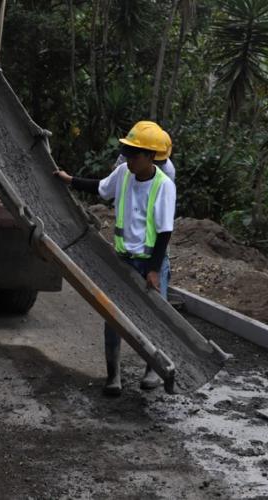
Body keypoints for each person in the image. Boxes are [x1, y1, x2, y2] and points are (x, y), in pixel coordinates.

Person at [54, 121, 176, 396]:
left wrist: (154, 271)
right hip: (123, 260)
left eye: (134, 153)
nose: (128, 157)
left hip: (149, 261)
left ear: (150, 157)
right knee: (113, 318)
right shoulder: (123, 173)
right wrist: (70, 180)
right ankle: (114, 376)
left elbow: (164, 232)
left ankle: (152, 370)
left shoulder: (163, 186)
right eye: (127, 151)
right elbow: (101, 188)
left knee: (154, 317)